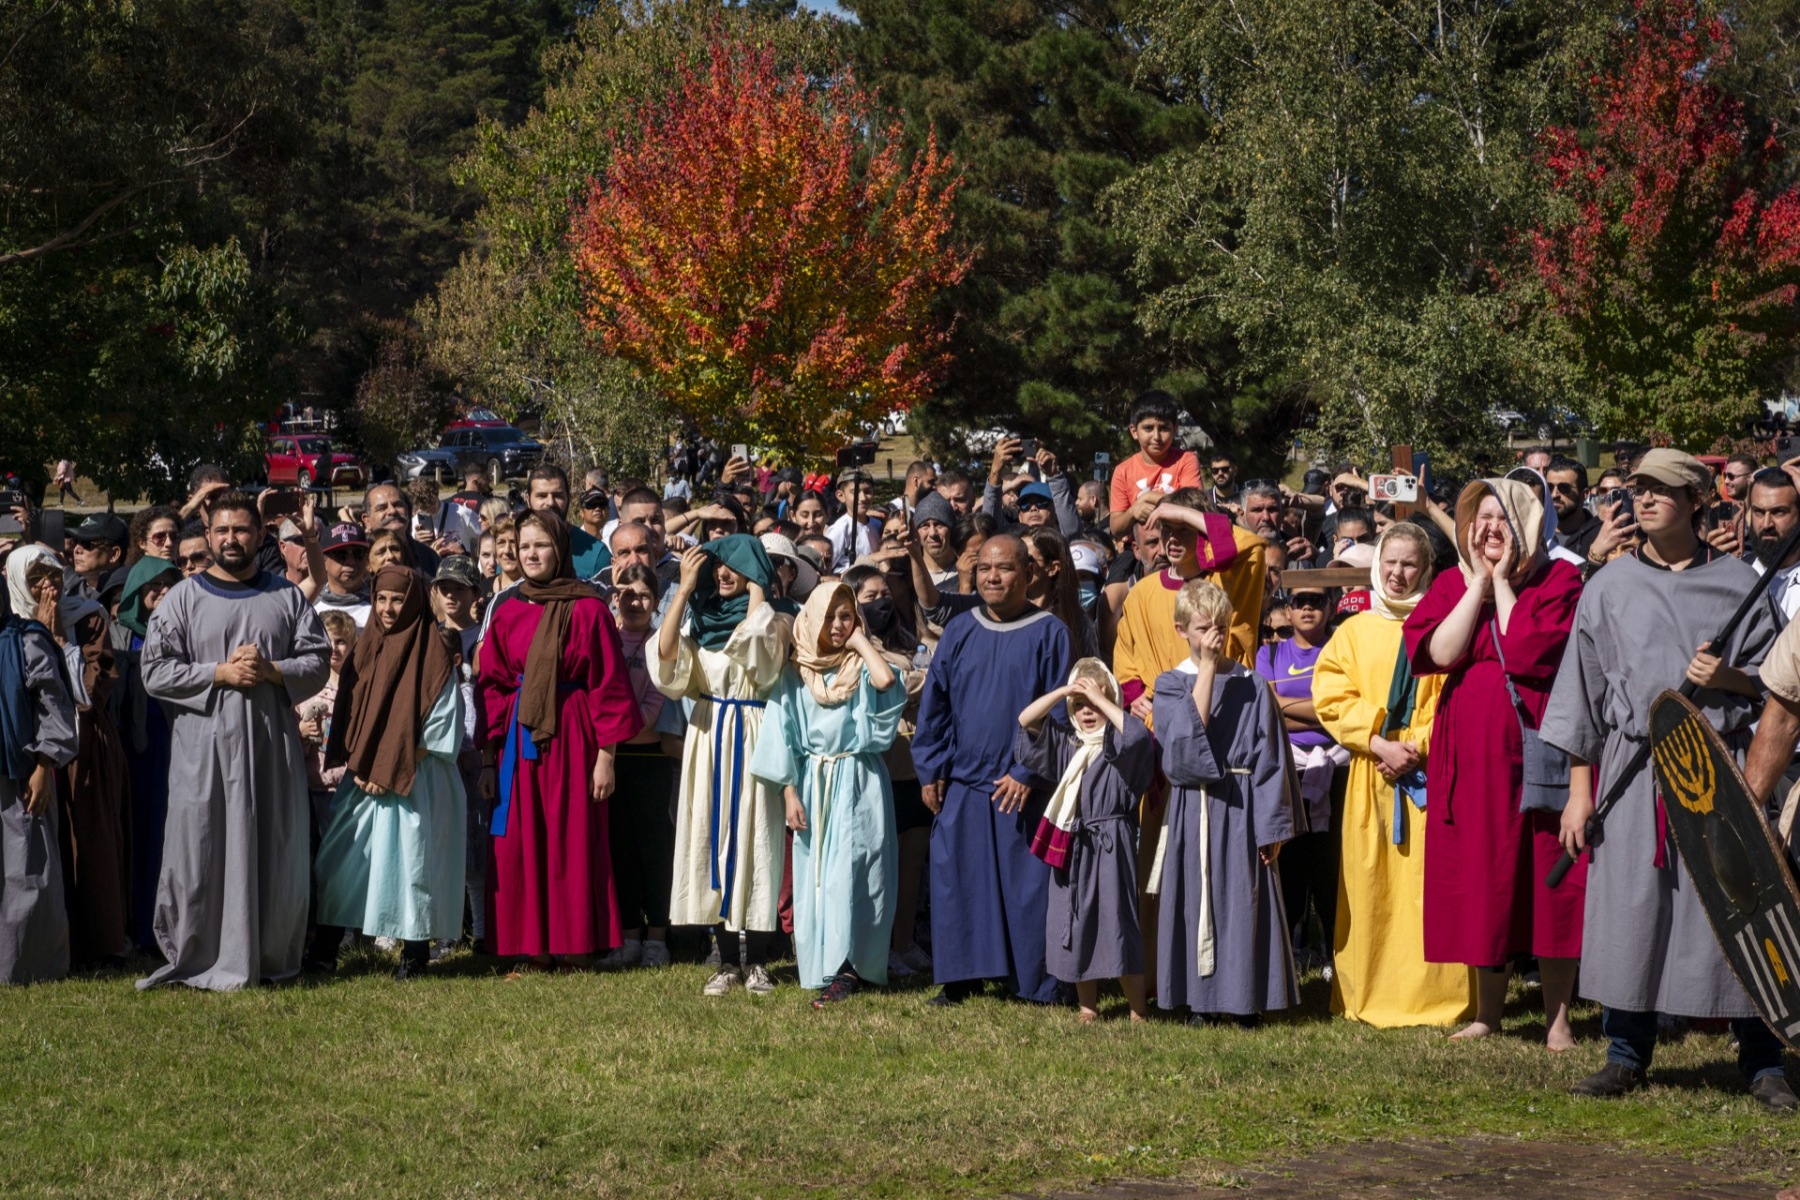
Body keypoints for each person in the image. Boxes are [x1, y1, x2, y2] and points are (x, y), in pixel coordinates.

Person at [1542, 448, 1795, 1109]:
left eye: (1661, 491)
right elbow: (1584, 695)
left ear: (1694, 503)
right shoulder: (1608, 587)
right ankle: (1626, 1053)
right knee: (1635, 912)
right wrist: (1578, 793)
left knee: (1734, 912)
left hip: (1718, 772)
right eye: (1639, 490)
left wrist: (1732, 679)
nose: (1645, 501)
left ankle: (1763, 1060)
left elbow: (1780, 691)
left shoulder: (1739, 585)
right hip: (1634, 772)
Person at [1402, 478, 1585, 1050]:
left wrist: (1503, 584)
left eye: (1502, 517)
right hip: (1473, 761)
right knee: (1484, 880)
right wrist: (1479, 582)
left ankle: (1558, 1019)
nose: (1489, 528)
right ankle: (1488, 1014)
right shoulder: (1454, 581)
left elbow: (1530, 650)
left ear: (1527, 523)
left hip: (1543, 746)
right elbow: (1438, 653)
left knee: (1550, 880)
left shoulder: (1559, 578)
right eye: (1479, 517)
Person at [137, 493, 332, 990]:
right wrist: (219, 673)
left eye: (241, 531)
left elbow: (317, 661)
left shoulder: (286, 597)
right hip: (203, 753)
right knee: (200, 851)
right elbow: (155, 671)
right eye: (221, 531)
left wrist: (272, 670)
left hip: (270, 751)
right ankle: (198, 953)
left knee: (271, 848)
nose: (230, 540)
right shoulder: (182, 598)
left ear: (260, 536)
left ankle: (269, 955)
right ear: (208, 532)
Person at [1313, 524, 1474, 1027]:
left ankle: (1435, 995)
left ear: (1426, 569)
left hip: (1428, 771)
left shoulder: (1445, 626)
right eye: (1390, 563)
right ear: (1377, 565)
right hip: (1371, 773)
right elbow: (1332, 695)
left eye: (1409, 564)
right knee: (1371, 886)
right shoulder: (1354, 631)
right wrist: (1379, 740)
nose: (1398, 574)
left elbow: (1454, 696)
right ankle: (1370, 990)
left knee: (1426, 886)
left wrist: (1417, 747)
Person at [476, 512, 642, 972]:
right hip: (517, 739)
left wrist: (606, 758)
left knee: (570, 837)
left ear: (560, 550)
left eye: (541, 545)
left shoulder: (588, 609)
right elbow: (490, 686)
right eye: (523, 546)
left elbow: (607, 685)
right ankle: (532, 948)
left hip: (572, 736)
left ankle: (574, 946)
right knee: (520, 842)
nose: (529, 554)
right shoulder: (507, 610)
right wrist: (490, 760)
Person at [912, 535, 1071, 1006]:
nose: (992, 577)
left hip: (1021, 785)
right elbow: (935, 706)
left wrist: (1028, 771)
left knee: (1027, 890)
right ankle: (961, 978)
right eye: (984, 569)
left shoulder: (1050, 632)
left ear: (1028, 574)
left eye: (1003, 569)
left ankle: (1034, 985)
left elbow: (1062, 715)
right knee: (957, 882)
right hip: (964, 781)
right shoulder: (960, 630)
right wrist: (930, 768)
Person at [750, 583, 905, 1006]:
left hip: (859, 779)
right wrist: (789, 794)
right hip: (816, 783)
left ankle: (854, 966)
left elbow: (888, 681)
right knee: (819, 876)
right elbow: (784, 737)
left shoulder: (861, 667)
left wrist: (861, 641)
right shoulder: (796, 674)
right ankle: (825, 963)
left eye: (846, 616)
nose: (838, 626)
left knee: (859, 871)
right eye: (831, 616)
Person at [1150, 579, 1296, 1024]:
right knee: (1196, 900)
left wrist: (1272, 828)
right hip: (1193, 806)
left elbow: (1271, 759)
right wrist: (1208, 669)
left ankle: (1242, 998)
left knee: (1240, 901)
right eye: (1201, 628)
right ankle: (1199, 1001)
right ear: (1182, 630)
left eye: (1220, 626)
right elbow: (1180, 752)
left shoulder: (1253, 684)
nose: (1212, 636)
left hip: (1240, 805)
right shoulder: (1171, 683)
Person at [311, 566, 465, 980]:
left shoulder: (433, 653)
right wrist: (362, 763)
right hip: (364, 780)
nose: (389, 607)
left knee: (410, 866)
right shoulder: (367, 648)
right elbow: (356, 713)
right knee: (340, 861)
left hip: (414, 780)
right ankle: (325, 949)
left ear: (414, 600)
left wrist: (389, 766)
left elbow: (439, 729)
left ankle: (413, 955)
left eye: (398, 599)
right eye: (381, 598)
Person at [655, 534, 793, 996]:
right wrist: (683, 588)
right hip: (709, 733)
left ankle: (757, 961)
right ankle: (727, 961)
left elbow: (764, 661)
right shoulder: (703, 620)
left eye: (736, 566)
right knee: (708, 839)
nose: (724, 574)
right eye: (718, 567)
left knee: (756, 839)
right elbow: (668, 660)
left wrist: (759, 588)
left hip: (753, 732)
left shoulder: (771, 620)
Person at [1014, 658, 1154, 1023]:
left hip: (1112, 845)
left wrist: (1101, 697)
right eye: (1080, 706)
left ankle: (1138, 1009)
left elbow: (1139, 736)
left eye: (1094, 704)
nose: (1087, 712)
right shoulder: (1068, 744)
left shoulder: (1118, 742)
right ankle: (1087, 1006)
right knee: (1075, 922)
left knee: (1118, 921)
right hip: (1073, 843)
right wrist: (1065, 690)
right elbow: (1026, 721)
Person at [597, 564, 682, 970]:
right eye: (627, 594)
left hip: (651, 761)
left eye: (644, 596)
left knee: (655, 850)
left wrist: (614, 728)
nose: (634, 602)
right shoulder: (607, 641)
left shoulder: (659, 644)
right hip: (612, 762)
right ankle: (628, 936)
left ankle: (657, 938)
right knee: (620, 849)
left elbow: (653, 707)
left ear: (656, 601)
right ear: (616, 597)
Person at [0, 550, 79, 983]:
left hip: (20, 772)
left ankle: (25, 966)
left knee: (25, 870)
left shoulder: (24, 639)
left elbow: (53, 704)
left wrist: (44, 764)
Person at [1257, 579, 1342, 975]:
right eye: (1299, 601)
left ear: (1331, 606)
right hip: (1287, 768)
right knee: (1288, 863)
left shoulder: (1342, 650)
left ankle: (1334, 952)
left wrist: (1287, 705)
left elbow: (1346, 704)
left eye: (1316, 601)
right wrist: (1321, 707)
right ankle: (1287, 953)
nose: (1307, 608)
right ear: (1287, 610)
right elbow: (1265, 703)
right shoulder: (1269, 652)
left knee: (1331, 865)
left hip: (1336, 768)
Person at [115, 553, 182, 950]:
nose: (160, 592)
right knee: (143, 835)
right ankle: (143, 928)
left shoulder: (185, 630)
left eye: (167, 584)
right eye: (152, 586)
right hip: (139, 749)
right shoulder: (120, 634)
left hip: (178, 743)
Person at [1109, 390, 1202, 539]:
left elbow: (1194, 507)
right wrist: (1133, 511)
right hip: (1141, 550)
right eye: (1148, 428)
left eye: (1164, 428)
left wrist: (1147, 498)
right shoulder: (1122, 471)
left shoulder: (1187, 460)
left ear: (1175, 429)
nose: (1156, 437)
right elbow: (1115, 527)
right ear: (1134, 431)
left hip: (1180, 542)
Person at [315, 521, 372, 628]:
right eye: (340, 554)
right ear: (323, 559)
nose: (351, 561)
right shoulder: (310, 607)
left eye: (358, 554)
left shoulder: (380, 604)